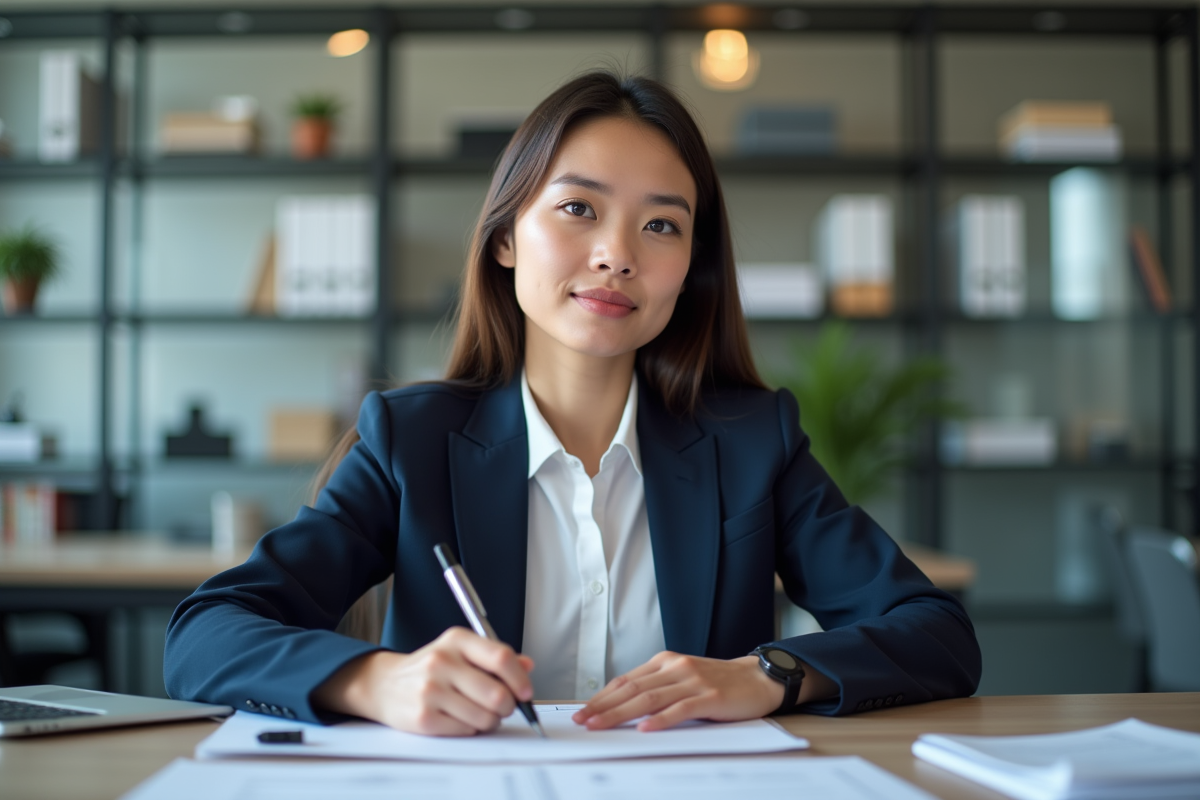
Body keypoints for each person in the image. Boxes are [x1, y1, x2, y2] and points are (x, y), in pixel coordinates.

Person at [164, 71, 981, 737]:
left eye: (662, 226)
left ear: (691, 267)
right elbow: (207, 634)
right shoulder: (409, 440)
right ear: (506, 237)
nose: (616, 256)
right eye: (579, 208)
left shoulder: (752, 442)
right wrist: (375, 682)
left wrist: (765, 676)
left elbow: (936, 635)